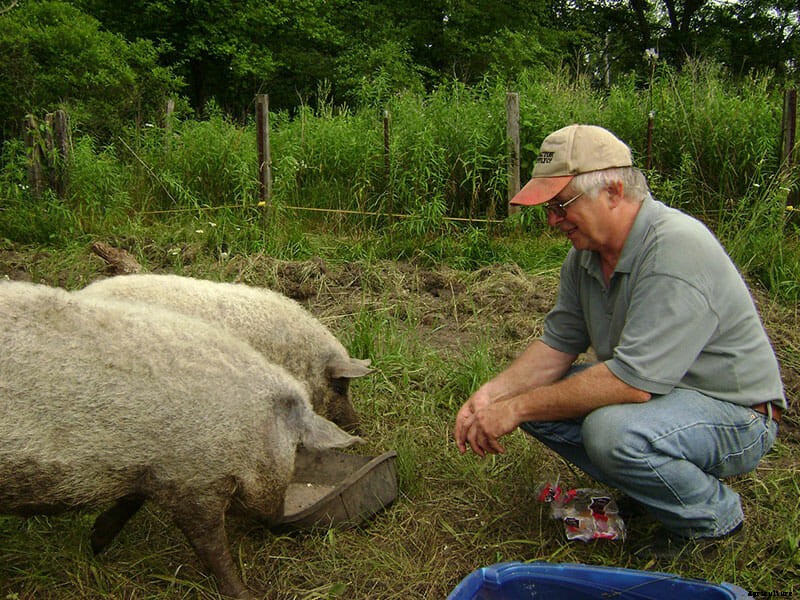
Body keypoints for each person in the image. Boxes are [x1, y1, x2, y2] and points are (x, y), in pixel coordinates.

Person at [453, 124, 786, 550]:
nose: (553, 220)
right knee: (543, 401)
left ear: (612, 191)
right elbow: (557, 345)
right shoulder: (584, 258)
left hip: (737, 414)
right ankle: (656, 489)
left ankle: (712, 518)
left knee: (611, 432)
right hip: (665, 399)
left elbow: (631, 382)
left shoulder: (674, 247)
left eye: (561, 204)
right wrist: (491, 397)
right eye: (548, 208)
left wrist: (517, 407)